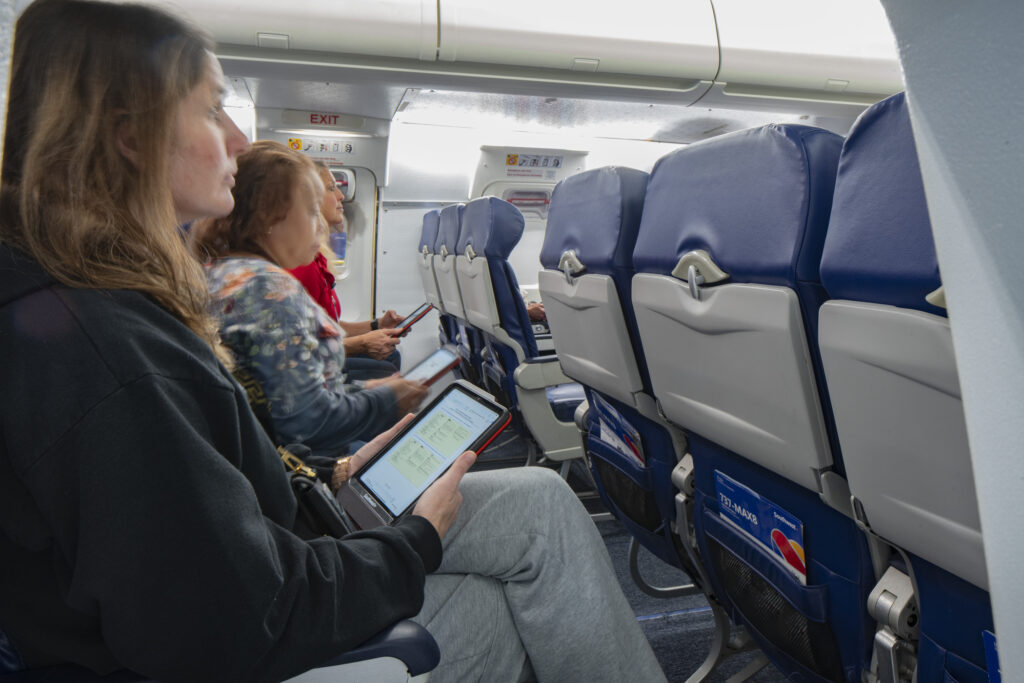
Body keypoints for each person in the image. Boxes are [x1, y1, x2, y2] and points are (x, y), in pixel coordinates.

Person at [0, 2, 669, 682]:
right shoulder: (106, 356)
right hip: (251, 632)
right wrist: (416, 540)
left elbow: (207, 491)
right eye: (210, 110)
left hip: (281, 547)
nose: (237, 138)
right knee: (508, 592)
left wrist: (328, 477)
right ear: (129, 138)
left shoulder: (108, 304)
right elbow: (233, 615)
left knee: (539, 506)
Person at [193, 141, 428, 455]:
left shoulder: (223, 270)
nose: (320, 225)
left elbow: (283, 388)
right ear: (271, 216)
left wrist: (363, 389)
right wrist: (385, 401)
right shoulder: (268, 290)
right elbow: (306, 424)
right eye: (311, 209)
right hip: (294, 460)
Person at [290, 161, 403, 379]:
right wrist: (362, 343)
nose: (341, 196)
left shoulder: (316, 258)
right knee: (387, 368)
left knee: (390, 356)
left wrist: (376, 325)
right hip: (311, 369)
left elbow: (326, 326)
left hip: (320, 355)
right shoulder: (301, 265)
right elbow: (303, 345)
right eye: (331, 188)